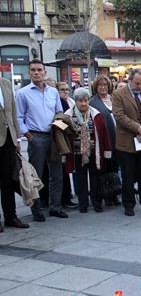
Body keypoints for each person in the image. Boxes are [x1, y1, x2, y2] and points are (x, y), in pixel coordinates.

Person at [15, 60, 67, 221]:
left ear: (45, 72)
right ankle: (36, 210)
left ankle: (55, 207)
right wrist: (28, 135)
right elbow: (18, 117)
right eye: (33, 70)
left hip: (53, 135)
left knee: (56, 174)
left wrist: (59, 127)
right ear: (29, 72)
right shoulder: (23, 93)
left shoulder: (53, 92)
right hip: (36, 136)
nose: (36, 73)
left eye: (39, 70)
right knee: (35, 175)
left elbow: (59, 111)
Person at [112, 68, 141, 216]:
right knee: (128, 174)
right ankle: (129, 204)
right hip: (126, 142)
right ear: (130, 80)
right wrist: (138, 128)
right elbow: (119, 116)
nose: (139, 86)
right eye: (137, 83)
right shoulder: (118, 94)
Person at [65, 88, 112, 213]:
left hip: (93, 152)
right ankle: (83, 204)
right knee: (80, 178)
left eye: (85, 100)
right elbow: (64, 136)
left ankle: (97, 202)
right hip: (77, 153)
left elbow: (104, 135)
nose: (83, 103)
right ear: (76, 101)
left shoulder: (96, 114)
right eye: (80, 101)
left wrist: (106, 151)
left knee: (95, 177)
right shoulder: (68, 115)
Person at [0, 77, 29, 231]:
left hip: (9, 140)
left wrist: (17, 138)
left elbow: (12, 113)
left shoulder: (5, 83)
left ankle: (11, 216)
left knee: (8, 181)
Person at [90, 75, 120, 206]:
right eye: (100, 85)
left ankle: (112, 195)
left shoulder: (114, 99)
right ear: (95, 87)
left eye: (105, 85)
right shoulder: (92, 102)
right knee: (101, 170)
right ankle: (99, 198)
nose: (103, 87)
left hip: (117, 140)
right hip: (102, 142)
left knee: (114, 169)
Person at [56, 81, 78, 209]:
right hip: (63, 138)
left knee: (70, 167)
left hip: (72, 138)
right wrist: (69, 129)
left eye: (67, 89)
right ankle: (64, 197)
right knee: (63, 170)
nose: (65, 92)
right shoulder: (60, 102)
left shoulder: (71, 101)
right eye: (62, 89)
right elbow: (58, 120)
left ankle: (68, 195)